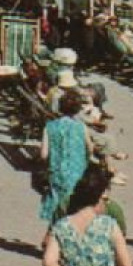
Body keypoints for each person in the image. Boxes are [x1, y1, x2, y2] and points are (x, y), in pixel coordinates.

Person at [39, 89, 91, 240]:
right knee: (73, 206)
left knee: (57, 206)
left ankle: (50, 236)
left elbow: (43, 154)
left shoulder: (50, 127)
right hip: (77, 171)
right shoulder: (81, 127)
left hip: (56, 171)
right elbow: (90, 147)